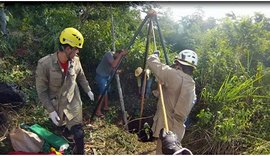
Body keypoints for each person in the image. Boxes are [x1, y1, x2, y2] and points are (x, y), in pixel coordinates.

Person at [35, 27, 94, 154]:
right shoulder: (44, 64)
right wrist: (50, 111)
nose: (77, 52)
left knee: (78, 133)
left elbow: (81, 76)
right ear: (67, 49)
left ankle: (80, 152)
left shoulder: (76, 61)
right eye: (76, 49)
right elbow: (42, 91)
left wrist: (88, 90)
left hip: (73, 101)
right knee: (61, 125)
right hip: (57, 104)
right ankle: (66, 131)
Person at [146, 49, 198, 154]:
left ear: (178, 64)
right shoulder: (191, 84)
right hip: (177, 130)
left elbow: (151, 61)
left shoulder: (173, 74)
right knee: (173, 151)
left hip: (166, 127)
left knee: (162, 152)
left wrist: (155, 55)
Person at [95, 49, 128, 118]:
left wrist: (118, 71)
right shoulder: (109, 54)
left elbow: (113, 69)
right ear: (117, 53)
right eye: (120, 55)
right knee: (102, 93)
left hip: (107, 76)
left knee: (106, 91)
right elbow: (113, 64)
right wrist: (121, 54)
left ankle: (106, 107)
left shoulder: (116, 58)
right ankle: (97, 111)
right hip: (101, 75)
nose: (120, 58)